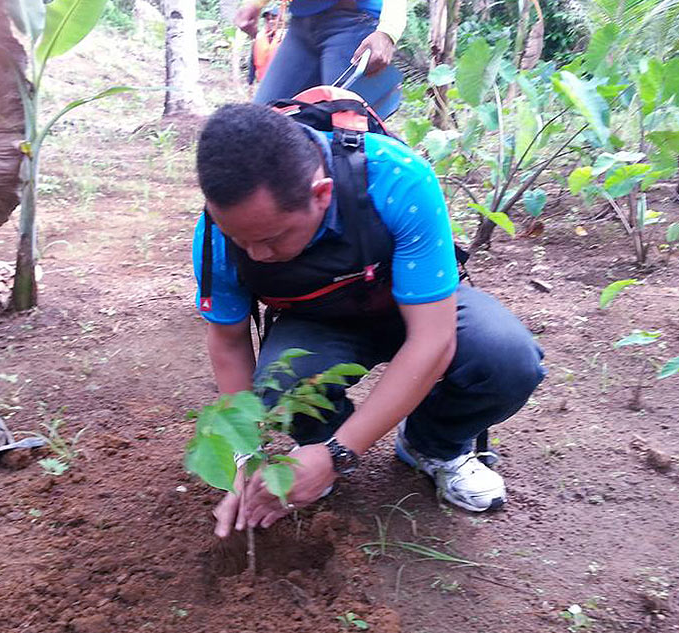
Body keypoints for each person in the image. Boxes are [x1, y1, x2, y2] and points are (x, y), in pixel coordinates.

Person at [191, 103, 547, 538]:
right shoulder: (215, 233)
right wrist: (247, 457)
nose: (256, 255)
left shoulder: (397, 180)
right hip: (317, 323)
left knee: (506, 359)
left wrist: (341, 453)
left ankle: (431, 445)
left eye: (271, 238)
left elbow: (433, 339)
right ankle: (315, 447)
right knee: (278, 385)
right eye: (238, 240)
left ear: (321, 194)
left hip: (413, 309)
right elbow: (228, 342)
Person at [235, 0, 406, 118]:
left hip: (353, 22)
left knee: (347, 132)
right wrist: (255, 3)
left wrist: (388, 31)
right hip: (302, 24)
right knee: (263, 120)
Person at [247, 7, 285, 86]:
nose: (270, 22)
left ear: (280, 21)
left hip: (280, 82)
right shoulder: (259, 37)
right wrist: (250, 81)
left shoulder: (286, 38)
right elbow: (252, 60)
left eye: (274, 18)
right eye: (268, 19)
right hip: (261, 82)